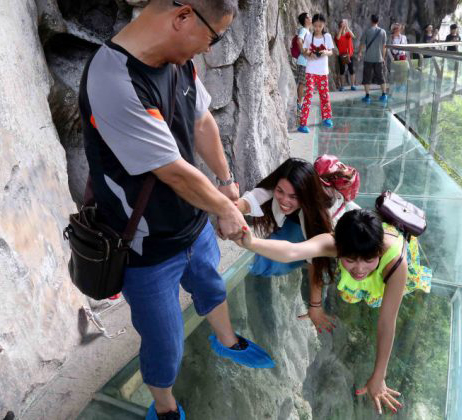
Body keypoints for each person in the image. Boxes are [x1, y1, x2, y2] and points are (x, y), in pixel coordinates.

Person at [78, 1, 274, 419]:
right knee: (165, 343)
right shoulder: (114, 79)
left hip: (193, 223)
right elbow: (173, 172)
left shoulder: (176, 60)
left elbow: (201, 120)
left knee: (211, 286)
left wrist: (226, 183)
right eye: (213, 37)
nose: (209, 48)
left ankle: (227, 340)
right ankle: (165, 407)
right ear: (183, 16)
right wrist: (227, 210)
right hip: (145, 246)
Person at [235, 209, 432, 415]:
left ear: (378, 252)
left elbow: (386, 322)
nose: (359, 269)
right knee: (320, 259)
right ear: (338, 248)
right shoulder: (334, 243)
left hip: (390, 266)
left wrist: (379, 375)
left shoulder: (396, 263)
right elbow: (293, 251)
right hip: (359, 248)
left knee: (379, 288)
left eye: (368, 259)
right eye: (350, 260)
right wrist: (252, 243)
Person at [236, 157, 360, 277]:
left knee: (281, 258)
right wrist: (229, 209)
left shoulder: (325, 212)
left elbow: (305, 255)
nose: (284, 200)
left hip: (321, 226)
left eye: (293, 196)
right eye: (280, 191)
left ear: (306, 194)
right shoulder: (289, 183)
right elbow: (252, 199)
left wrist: (315, 298)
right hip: (300, 219)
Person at [298, 13, 334, 134]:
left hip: (323, 71)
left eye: (320, 26)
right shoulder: (309, 37)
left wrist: (325, 52)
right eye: (316, 26)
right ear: (312, 25)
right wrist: (309, 54)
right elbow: (305, 50)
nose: (318, 28)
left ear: (324, 25)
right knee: (308, 96)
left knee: (324, 95)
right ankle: (302, 123)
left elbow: (331, 52)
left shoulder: (327, 36)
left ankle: (327, 118)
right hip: (311, 70)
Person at [358, 15, 388, 103]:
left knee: (367, 77)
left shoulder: (367, 31)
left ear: (371, 21)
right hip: (379, 58)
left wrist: (360, 53)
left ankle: (367, 97)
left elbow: (362, 44)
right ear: (378, 21)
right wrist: (383, 57)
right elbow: (384, 46)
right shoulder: (383, 32)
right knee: (381, 77)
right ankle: (384, 95)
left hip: (368, 58)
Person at [294, 13, 311, 112]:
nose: (311, 18)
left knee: (303, 83)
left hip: (306, 61)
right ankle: (299, 103)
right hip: (303, 61)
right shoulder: (304, 30)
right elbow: (299, 41)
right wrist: (304, 52)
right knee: (302, 83)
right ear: (305, 20)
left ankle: (300, 102)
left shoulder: (307, 31)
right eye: (309, 17)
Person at [334, 19, 356, 91]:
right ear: (340, 25)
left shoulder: (348, 33)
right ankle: (342, 86)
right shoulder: (338, 33)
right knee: (342, 71)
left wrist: (347, 28)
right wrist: (341, 28)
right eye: (343, 23)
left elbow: (353, 36)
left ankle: (352, 85)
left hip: (349, 54)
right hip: (341, 55)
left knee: (351, 70)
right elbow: (338, 38)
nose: (344, 24)